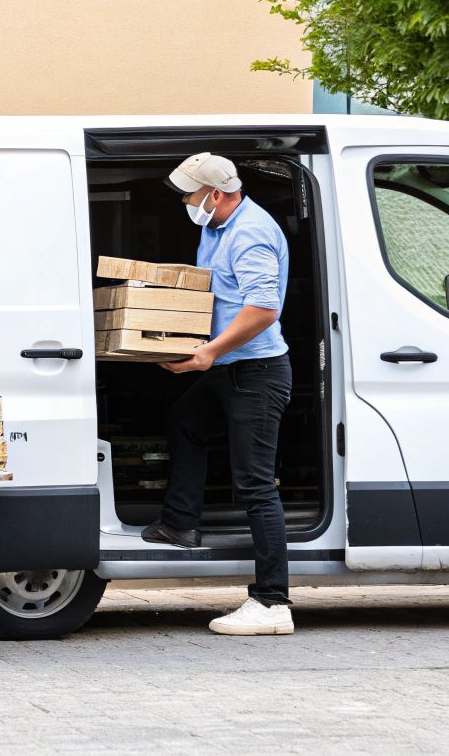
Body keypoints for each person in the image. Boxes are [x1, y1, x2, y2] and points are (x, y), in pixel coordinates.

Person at [142, 152, 296, 637]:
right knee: (186, 420)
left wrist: (207, 352)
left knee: (254, 484)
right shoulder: (216, 229)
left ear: (216, 193)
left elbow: (263, 308)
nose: (186, 202)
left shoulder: (249, 232)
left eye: (191, 194)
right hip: (231, 366)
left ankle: (272, 602)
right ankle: (180, 522)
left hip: (258, 371)